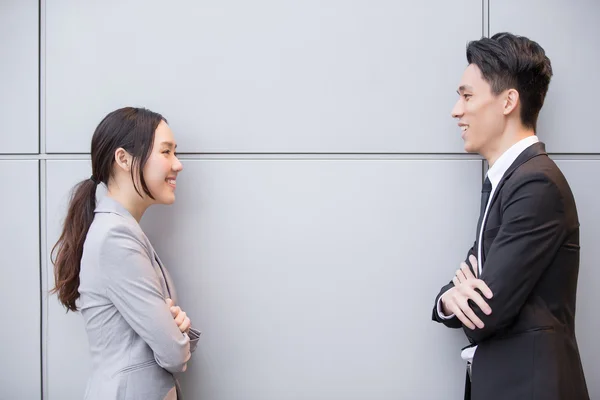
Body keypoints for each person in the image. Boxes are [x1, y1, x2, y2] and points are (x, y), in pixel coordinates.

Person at [431, 33, 589, 400]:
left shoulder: (536, 185)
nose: (457, 110)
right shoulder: (510, 183)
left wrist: (462, 294)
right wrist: (449, 297)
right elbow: (460, 288)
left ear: (508, 101)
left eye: (467, 96)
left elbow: (484, 313)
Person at [51, 107, 200, 400]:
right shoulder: (115, 237)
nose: (178, 164)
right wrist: (177, 336)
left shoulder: (122, 231)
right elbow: (172, 354)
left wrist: (176, 334)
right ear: (123, 158)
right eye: (166, 152)